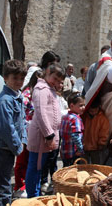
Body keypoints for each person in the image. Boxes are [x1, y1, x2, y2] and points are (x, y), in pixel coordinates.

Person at [0, 59, 27, 206]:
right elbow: (7, 128)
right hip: (0, 149)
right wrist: (17, 146)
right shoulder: (5, 100)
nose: (19, 81)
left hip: (6, 148)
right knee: (2, 187)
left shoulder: (17, 96)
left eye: (21, 78)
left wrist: (23, 140)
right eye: (15, 78)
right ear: (5, 78)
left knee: (1, 183)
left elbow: (21, 122)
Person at [25, 64, 65, 197]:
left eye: (60, 81)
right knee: (35, 167)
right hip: (41, 137)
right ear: (47, 74)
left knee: (39, 167)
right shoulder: (41, 89)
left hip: (46, 138)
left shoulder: (49, 89)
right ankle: (33, 196)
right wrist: (49, 135)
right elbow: (41, 113)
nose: (57, 83)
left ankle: (35, 193)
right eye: (55, 79)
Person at [13, 69, 43, 199]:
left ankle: (27, 184)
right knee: (22, 159)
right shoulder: (26, 94)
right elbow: (22, 115)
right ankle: (19, 185)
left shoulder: (39, 93)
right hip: (25, 131)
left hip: (34, 131)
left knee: (31, 160)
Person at [59, 92, 85, 167]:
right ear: (72, 105)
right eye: (80, 105)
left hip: (65, 151)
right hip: (73, 152)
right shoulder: (75, 119)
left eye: (84, 105)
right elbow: (75, 135)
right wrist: (80, 149)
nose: (83, 107)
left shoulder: (65, 117)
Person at [83, 98, 110, 164]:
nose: (93, 113)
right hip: (84, 146)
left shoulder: (102, 119)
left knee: (96, 164)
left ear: (99, 108)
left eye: (95, 110)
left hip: (96, 147)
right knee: (84, 164)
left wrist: (101, 143)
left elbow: (104, 133)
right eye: (91, 111)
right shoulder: (84, 116)